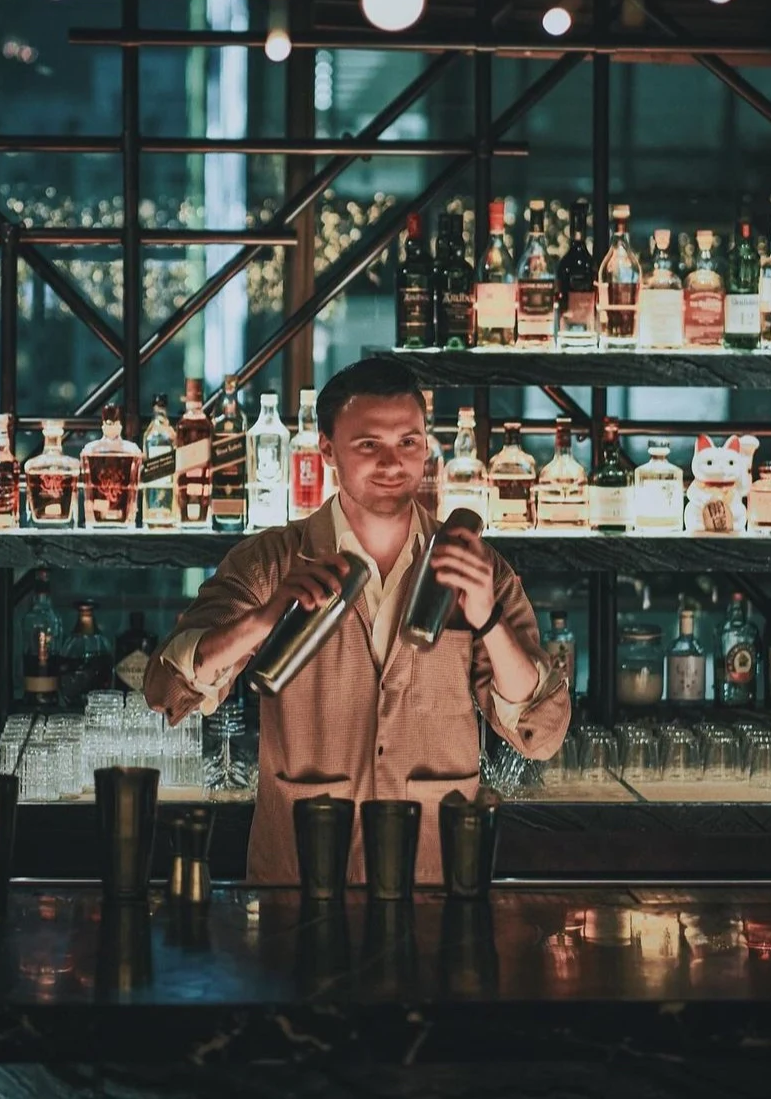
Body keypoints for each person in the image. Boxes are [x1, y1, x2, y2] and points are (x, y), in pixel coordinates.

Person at [144, 356, 570, 884]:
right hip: (301, 878)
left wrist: (489, 621)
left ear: (427, 445)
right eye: (369, 444)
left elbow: (541, 733)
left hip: (433, 880)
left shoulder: (475, 568)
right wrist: (262, 620)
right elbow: (166, 690)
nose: (392, 462)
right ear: (327, 449)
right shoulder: (270, 561)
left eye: (408, 442)